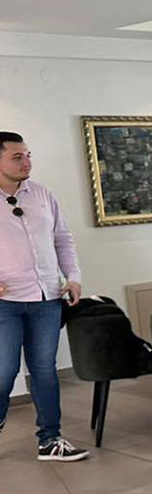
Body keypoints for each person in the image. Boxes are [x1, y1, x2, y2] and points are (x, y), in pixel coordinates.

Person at [0, 131, 90, 462]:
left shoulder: (41, 194)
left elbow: (63, 238)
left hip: (47, 298)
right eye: (17, 157)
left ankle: (50, 439)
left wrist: (73, 277)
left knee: (43, 370)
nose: (26, 162)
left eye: (28, 155)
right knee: (4, 372)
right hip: (5, 303)